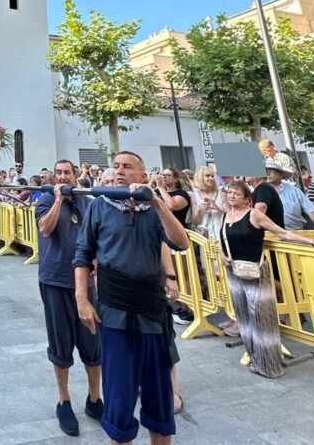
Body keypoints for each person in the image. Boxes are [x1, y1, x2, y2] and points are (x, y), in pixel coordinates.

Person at [73, 151, 190, 445]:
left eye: (127, 167)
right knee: (119, 398)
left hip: (152, 313)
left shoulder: (154, 209)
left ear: (141, 174)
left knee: (159, 398)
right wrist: (82, 299)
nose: (120, 171)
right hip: (115, 313)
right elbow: (82, 255)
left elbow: (181, 242)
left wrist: (158, 203)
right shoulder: (99, 207)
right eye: (116, 166)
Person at [218, 180, 314, 378]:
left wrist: (312, 242)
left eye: (236, 194)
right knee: (244, 317)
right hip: (235, 271)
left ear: (247, 199)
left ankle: (269, 365)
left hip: (256, 270)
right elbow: (220, 238)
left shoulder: (254, 214)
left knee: (262, 319)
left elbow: (283, 233)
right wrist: (222, 254)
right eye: (229, 193)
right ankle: (255, 359)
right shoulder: (224, 216)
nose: (231, 196)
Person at [36, 160, 103, 436]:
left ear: (76, 176)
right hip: (54, 280)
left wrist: (97, 257)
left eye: (67, 173)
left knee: (93, 341)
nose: (63, 176)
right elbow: (45, 229)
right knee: (60, 343)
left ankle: (95, 398)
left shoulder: (86, 203)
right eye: (59, 173)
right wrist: (58, 201)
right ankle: (64, 400)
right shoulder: (45, 199)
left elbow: (95, 235)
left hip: (85, 282)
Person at [151, 168, 194, 326]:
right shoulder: (157, 191)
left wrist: (161, 187)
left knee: (183, 275)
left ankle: (189, 308)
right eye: (163, 175)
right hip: (162, 238)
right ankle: (178, 305)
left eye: (168, 176)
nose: (164, 178)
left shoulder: (182, 194)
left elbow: (171, 205)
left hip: (178, 238)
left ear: (176, 179)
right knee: (169, 273)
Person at [266, 163, 314, 233]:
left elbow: (309, 209)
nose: (268, 174)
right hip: (271, 236)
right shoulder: (260, 192)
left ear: (281, 175)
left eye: (271, 171)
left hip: (296, 234)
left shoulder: (294, 191)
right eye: (266, 172)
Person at [191, 166, 226, 240]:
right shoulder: (194, 195)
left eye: (212, 176)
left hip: (221, 234)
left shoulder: (221, 193)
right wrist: (199, 209)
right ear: (200, 178)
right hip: (204, 237)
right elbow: (194, 221)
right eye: (207, 176)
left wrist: (217, 207)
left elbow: (228, 214)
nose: (211, 178)